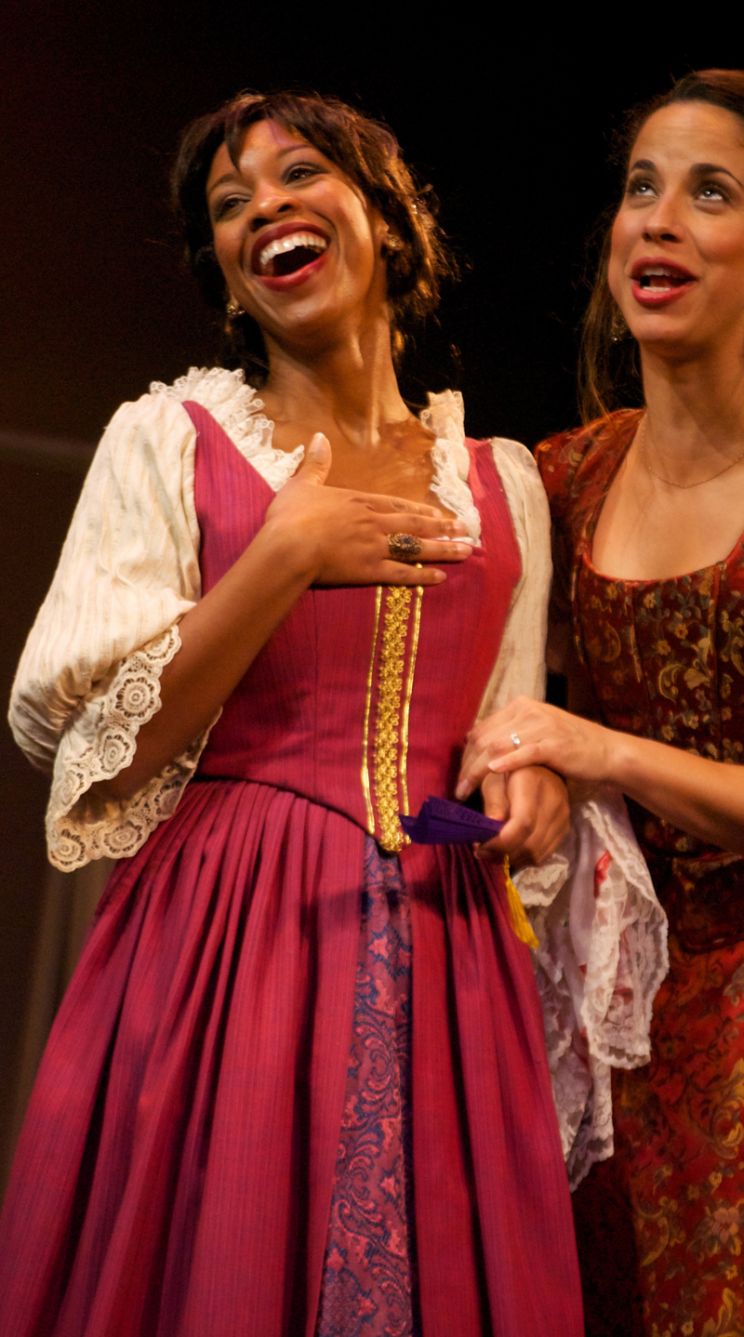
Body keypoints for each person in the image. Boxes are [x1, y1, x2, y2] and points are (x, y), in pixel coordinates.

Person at [0, 91, 585, 1336]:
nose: (263, 205)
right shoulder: (168, 440)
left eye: (300, 173)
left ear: (389, 220)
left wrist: (529, 781)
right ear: (225, 268)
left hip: (450, 951)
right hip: (229, 936)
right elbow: (91, 743)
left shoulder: (506, 483)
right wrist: (281, 554)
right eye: (229, 202)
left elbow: (508, 726)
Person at [458, 69, 744, 1337]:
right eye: (641, 187)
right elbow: (497, 691)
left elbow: (582, 738)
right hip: (610, 1010)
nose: (659, 221)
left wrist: (596, 748)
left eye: (712, 192)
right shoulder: (568, 475)